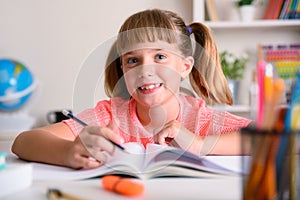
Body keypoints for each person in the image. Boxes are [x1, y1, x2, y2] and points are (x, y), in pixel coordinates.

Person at [12, 9, 252, 169]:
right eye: (132, 60)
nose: (144, 70)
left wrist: (200, 144)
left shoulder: (199, 118)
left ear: (185, 66)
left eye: (159, 56)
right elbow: (23, 141)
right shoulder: (109, 115)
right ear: (123, 69)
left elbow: (273, 139)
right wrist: (69, 151)